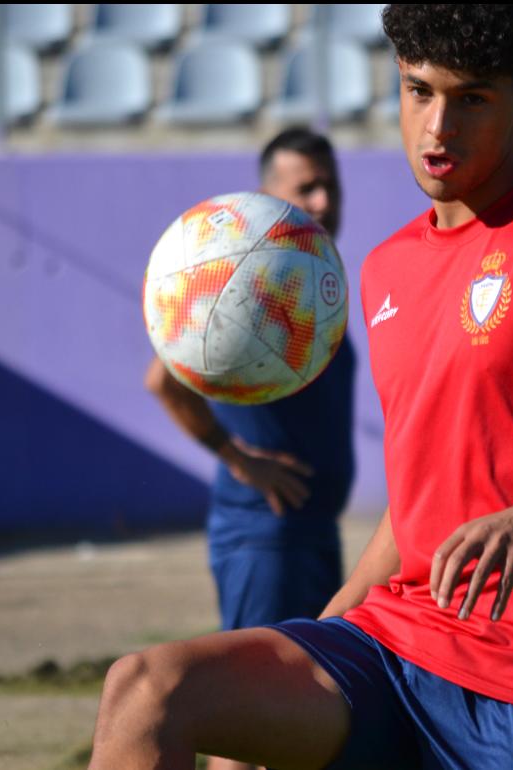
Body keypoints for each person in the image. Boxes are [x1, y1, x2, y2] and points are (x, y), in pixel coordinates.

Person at [97, 6, 513, 769]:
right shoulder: (383, 269)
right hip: (394, 640)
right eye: (419, 91)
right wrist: (328, 626)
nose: (437, 127)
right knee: (147, 691)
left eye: (471, 99)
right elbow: (421, 495)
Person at [143, 128, 356, 770]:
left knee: (296, 712)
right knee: (246, 717)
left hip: (311, 532)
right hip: (266, 536)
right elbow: (162, 381)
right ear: (268, 198)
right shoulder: (244, 284)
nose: (322, 202)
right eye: (306, 188)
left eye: (330, 186)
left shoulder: (309, 282)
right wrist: (239, 457)